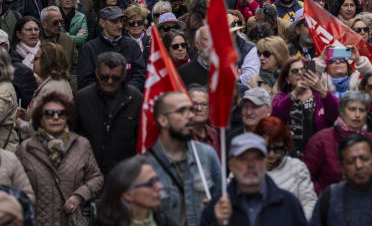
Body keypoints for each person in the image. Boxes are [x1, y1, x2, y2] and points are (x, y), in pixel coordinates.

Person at [16, 91, 103, 226]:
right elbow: (15, 186)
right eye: (49, 113)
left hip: (71, 221)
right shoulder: (25, 149)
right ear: (40, 118)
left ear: (68, 117)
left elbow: (96, 178)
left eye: (61, 113)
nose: (56, 117)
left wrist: (79, 196)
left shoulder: (81, 145)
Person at [147, 90, 224, 226]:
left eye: (190, 110)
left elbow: (224, 200)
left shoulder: (207, 155)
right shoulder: (147, 166)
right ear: (162, 120)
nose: (190, 116)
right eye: (182, 111)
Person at [204, 132, 309, 226]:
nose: (251, 165)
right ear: (231, 165)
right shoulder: (218, 205)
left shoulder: (288, 204)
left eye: (257, 158)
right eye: (243, 159)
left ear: (265, 163)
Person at [73, 51, 141, 175]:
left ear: (123, 75)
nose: (109, 81)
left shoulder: (135, 99)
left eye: (115, 78)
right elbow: (73, 134)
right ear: (97, 73)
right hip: (89, 171)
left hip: (124, 173)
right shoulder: (82, 98)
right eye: (104, 77)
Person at [303, 90, 372, 193]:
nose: (357, 115)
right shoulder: (320, 140)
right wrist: (324, 197)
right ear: (342, 112)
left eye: (362, 110)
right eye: (352, 109)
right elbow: (306, 177)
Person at [271, 56, 339, 157]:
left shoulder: (320, 97)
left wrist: (322, 91)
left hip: (320, 154)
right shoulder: (281, 98)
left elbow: (338, 115)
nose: (300, 73)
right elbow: (276, 119)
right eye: (295, 70)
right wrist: (294, 94)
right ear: (287, 79)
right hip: (290, 157)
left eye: (303, 69)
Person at [254, 116, 318, 218]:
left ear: (285, 146)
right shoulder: (246, 167)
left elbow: (309, 203)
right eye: (266, 148)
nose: (271, 155)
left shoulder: (297, 168)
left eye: (277, 149)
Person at [76, 5, 146, 90]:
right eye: (114, 21)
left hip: (128, 99)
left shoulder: (132, 45)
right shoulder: (89, 49)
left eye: (121, 21)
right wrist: (107, 93)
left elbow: (140, 74)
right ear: (102, 23)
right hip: (99, 100)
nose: (120, 25)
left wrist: (125, 92)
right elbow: (85, 81)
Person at [93, 155, 175, 226]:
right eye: (150, 183)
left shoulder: (164, 222)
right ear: (128, 194)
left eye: (157, 180)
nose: (160, 187)